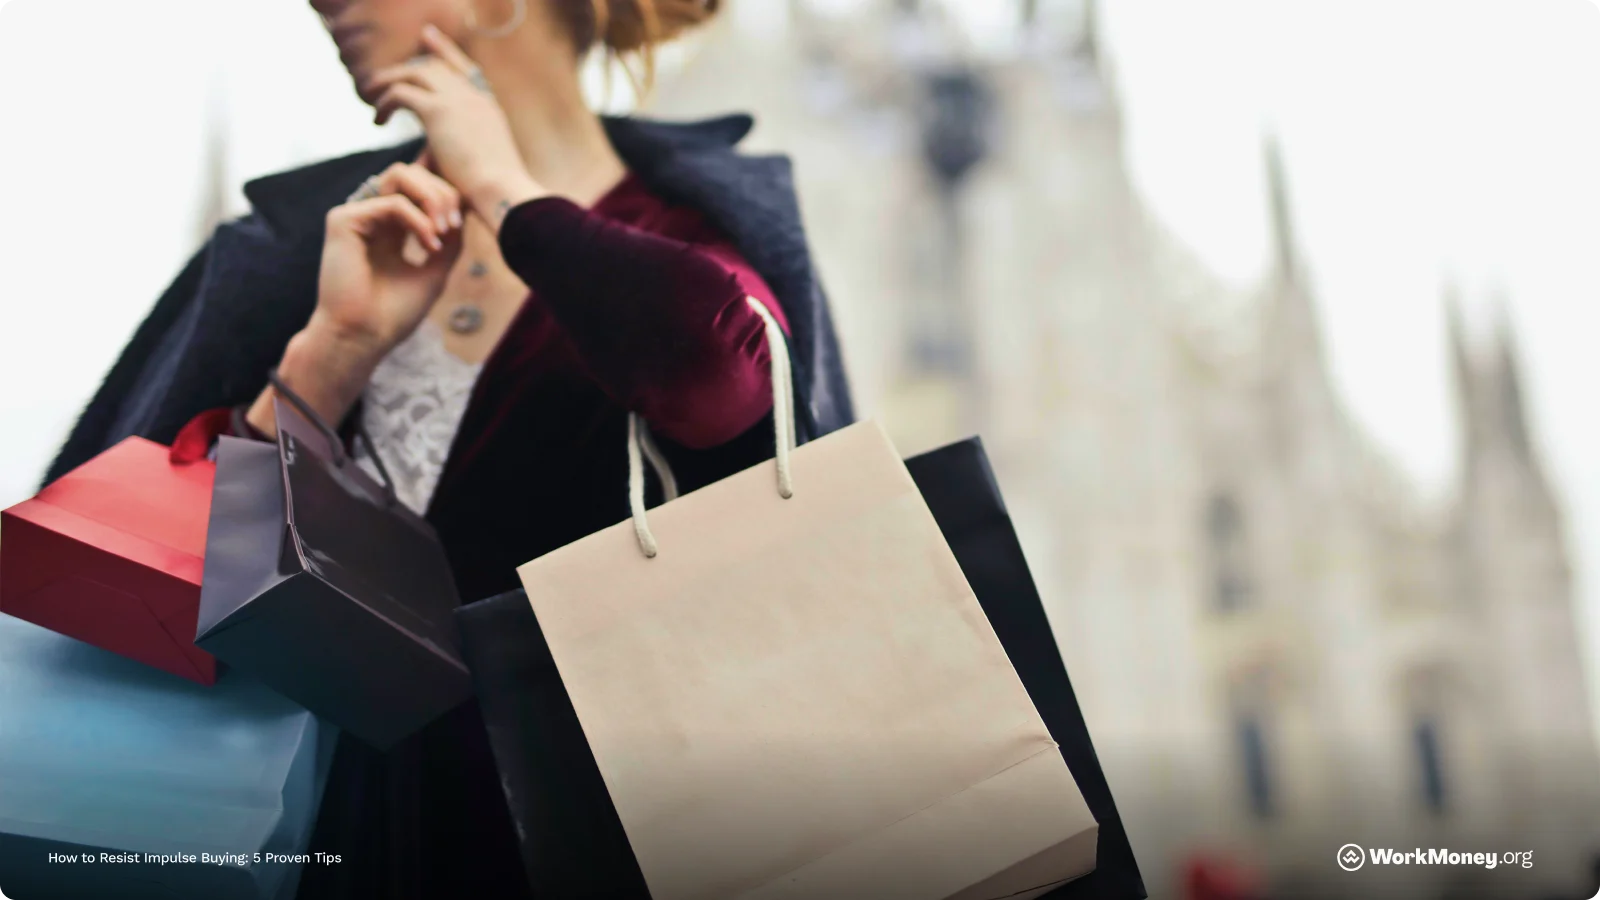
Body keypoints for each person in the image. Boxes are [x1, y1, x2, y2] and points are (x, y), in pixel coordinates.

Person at [45, 0, 854, 896]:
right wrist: (329, 357)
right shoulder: (302, 245)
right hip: (278, 841)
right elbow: (128, 585)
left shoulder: (691, 247)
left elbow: (721, 377)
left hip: (551, 850)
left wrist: (510, 197)